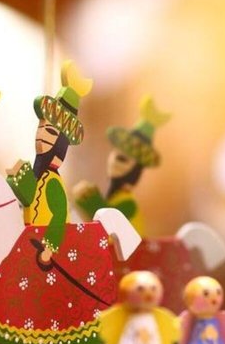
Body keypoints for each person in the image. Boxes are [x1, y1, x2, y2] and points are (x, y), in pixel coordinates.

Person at [6, 60, 92, 264]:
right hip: (28, 244)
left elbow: (59, 215)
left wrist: (50, 248)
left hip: (43, 253)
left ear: (61, 141)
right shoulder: (40, 175)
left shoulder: (53, 182)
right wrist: (18, 177)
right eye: (40, 127)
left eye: (51, 131)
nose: (41, 135)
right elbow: (28, 197)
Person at [73, 95, 170, 237]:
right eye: (115, 154)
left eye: (122, 159)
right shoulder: (113, 198)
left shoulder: (128, 204)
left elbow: (108, 221)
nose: (113, 162)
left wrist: (91, 199)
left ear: (136, 170)